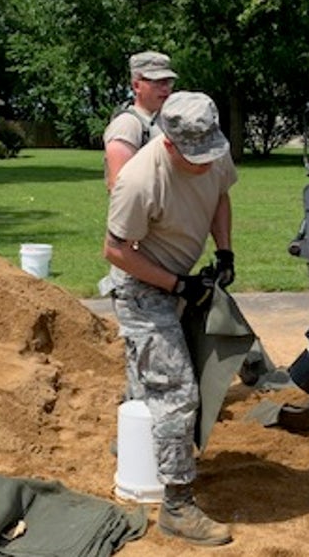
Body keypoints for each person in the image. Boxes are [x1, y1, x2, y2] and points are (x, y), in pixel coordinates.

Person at [102, 91, 236, 546]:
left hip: (178, 275)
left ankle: (137, 450)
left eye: (209, 152)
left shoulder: (213, 150)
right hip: (141, 287)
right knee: (177, 388)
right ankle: (177, 505)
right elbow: (116, 251)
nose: (204, 163)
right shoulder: (139, 179)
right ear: (170, 143)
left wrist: (224, 251)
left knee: (153, 378)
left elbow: (219, 195)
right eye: (193, 156)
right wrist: (177, 286)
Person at [102, 50, 176, 191]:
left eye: (168, 82)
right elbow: (120, 188)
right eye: (158, 82)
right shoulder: (126, 124)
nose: (165, 88)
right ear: (136, 86)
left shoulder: (169, 120)